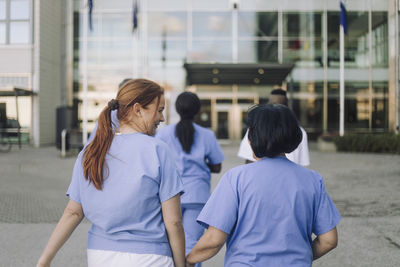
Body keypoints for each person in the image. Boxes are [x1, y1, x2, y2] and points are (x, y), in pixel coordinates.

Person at [37, 79, 186, 267]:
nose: (162, 118)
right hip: (151, 257)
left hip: (100, 256)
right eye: (159, 110)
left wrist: (45, 260)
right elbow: (174, 223)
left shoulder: (90, 151)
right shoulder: (158, 150)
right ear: (138, 109)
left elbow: (72, 212)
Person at [186, 104, 341, 266]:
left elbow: (214, 240)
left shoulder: (236, 178)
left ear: (253, 137)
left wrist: (188, 260)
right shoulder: (313, 180)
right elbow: (329, 240)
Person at [156, 92, 225, 267]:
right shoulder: (206, 135)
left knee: (171, 240)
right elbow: (217, 166)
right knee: (193, 243)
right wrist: (201, 165)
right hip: (197, 194)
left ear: (177, 109)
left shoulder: (164, 134)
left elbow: (155, 163)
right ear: (197, 110)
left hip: (170, 194)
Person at [238, 88, 310, 166]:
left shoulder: (299, 131)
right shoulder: (255, 128)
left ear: (286, 105)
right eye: (270, 103)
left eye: (277, 104)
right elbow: (249, 159)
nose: (272, 108)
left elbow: (302, 163)